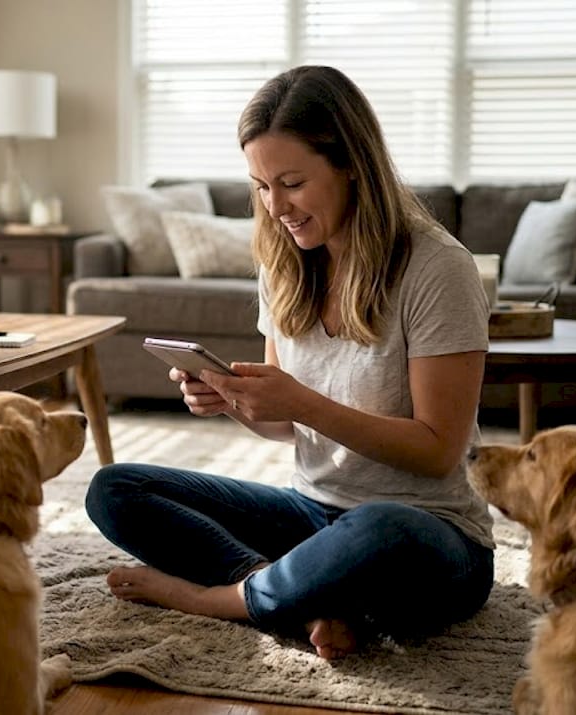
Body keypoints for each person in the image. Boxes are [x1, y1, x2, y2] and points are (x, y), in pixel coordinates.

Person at [84, 65, 494, 660]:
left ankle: (217, 599)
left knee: (384, 528)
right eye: (261, 186)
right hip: (312, 511)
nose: (276, 206)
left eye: (292, 182)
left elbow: (437, 451)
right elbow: (286, 427)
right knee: (115, 489)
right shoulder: (285, 264)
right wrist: (235, 401)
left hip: (428, 534)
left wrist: (303, 403)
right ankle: (298, 598)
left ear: (351, 163)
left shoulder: (437, 268)